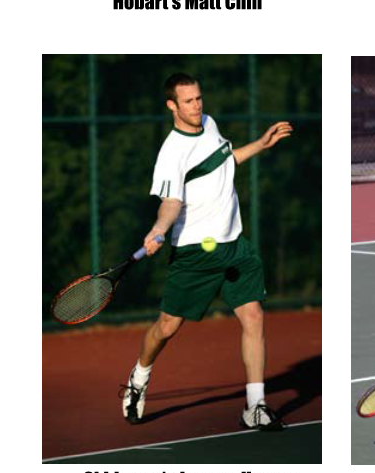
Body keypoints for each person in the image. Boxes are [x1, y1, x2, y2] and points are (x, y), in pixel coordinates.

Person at [120, 72, 292, 429]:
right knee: (167, 328)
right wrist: (158, 229)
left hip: (234, 245)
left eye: (199, 98)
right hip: (195, 253)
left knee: (254, 317)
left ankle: (255, 406)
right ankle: (140, 376)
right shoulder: (171, 152)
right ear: (172, 106)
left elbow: (224, 163)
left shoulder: (210, 124)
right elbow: (170, 202)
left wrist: (260, 144)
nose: (197, 106)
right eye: (188, 101)